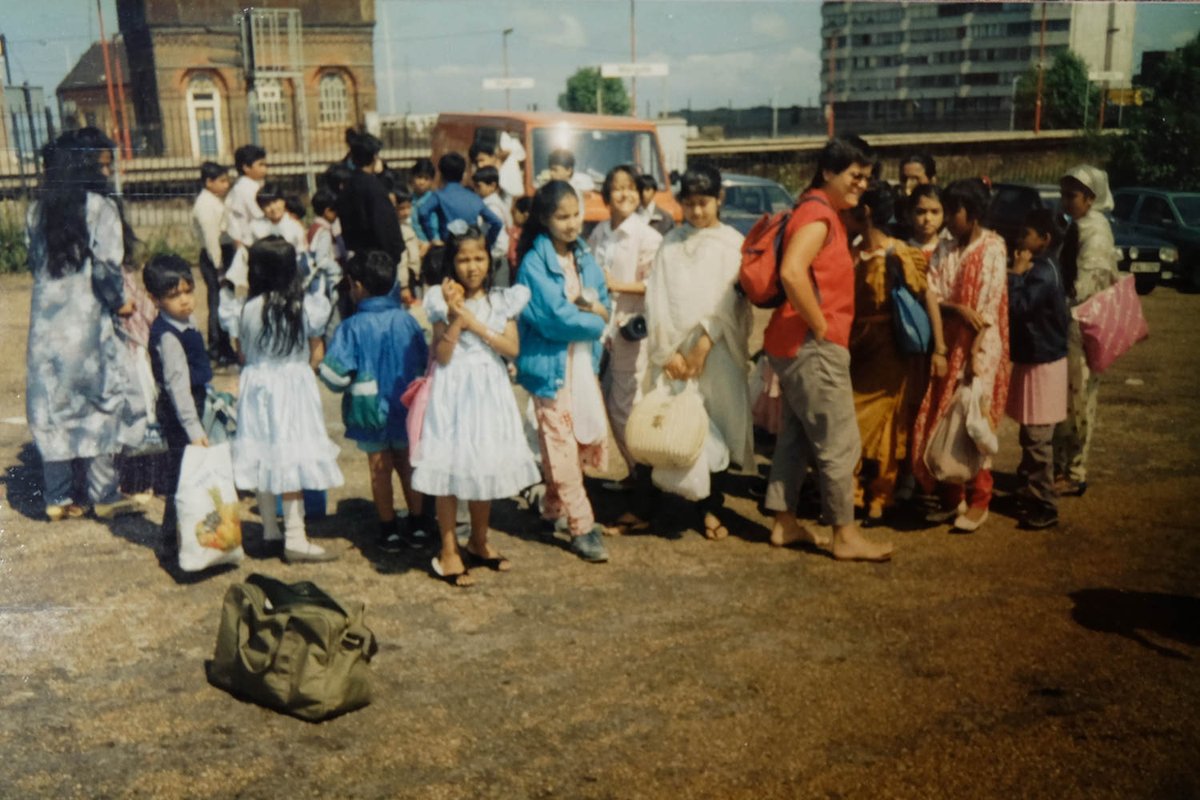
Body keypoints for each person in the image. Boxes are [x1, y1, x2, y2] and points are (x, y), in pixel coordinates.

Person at [761, 136, 893, 562]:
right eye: (855, 176)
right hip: (811, 345)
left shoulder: (817, 211)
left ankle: (784, 522)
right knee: (839, 441)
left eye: (866, 178)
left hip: (793, 343)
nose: (861, 185)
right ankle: (845, 534)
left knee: (797, 437)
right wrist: (820, 325)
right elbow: (792, 272)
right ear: (828, 172)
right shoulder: (817, 215)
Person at [25, 127, 147, 521]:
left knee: (52, 405)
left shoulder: (35, 211)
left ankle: (57, 497)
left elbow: (35, 264)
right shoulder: (100, 208)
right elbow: (107, 269)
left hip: (45, 325)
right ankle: (103, 493)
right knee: (100, 402)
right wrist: (121, 302)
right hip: (88, 322)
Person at [414, 223, 541, 586]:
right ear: (452, 262)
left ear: (490, 259)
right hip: (453, 388)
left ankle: (480, 540)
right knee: (451, 468)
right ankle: (449, 548)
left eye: (479, 258)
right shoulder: (440, 300)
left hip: (489, 386)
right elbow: (441, 354)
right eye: (464, 259)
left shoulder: (503, 300)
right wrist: (456, 317)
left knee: (483, 463)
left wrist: (477, 324)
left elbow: (512, 348)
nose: (472, 267)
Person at [642, 164, 754, 540]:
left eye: (704, 203)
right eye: (688, 204)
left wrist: (704, 344)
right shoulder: (669, 244)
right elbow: (656, 300)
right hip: (674, 353)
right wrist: (666, 351)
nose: (697, 212)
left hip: (716, 349)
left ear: (719, 199)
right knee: (674, 424)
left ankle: (711, 507)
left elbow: (731, 302)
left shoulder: (732, 244)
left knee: (715, 423)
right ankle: (669, 505)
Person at [515, 180, 613, 563]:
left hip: (581, 365)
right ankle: (582, 525)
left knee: (570, 439)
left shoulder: (583, 254)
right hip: (551, 368)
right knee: (559, 444)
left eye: (576, 215)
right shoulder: (533, 264)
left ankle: (552, 509)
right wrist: (595, 321)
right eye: (562, 217)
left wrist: (596, 311)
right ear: (544, 218)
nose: (572, 224)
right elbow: (554, 318)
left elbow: (601, 297)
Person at [233, 236, 343, 563]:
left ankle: (270, 531)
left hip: (256, 386)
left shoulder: (247, 308)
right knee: (290, 455)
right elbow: (317, 352)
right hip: (292, 386)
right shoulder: (305, 306)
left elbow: (242, 354)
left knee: (263, 454)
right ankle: (295, 536)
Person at [910, 178, 1011, 533]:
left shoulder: (994, 247)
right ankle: (953, 496)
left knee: (973, 422)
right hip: (947, 341)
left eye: (955, 211)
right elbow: (933, 293)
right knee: (943, 417)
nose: (949, 218)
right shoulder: (946, 249)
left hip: (980, 348)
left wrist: (973, 359)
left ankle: (980, 497)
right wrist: (954, 309)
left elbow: (984, 309)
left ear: (974, 212)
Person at [843, 181, 946, 524]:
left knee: (887, 421)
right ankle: (856, 491)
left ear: (867, 212)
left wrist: (940, 348)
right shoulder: (853, 252)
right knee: (853, 421)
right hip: (857, 345)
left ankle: (880, 495)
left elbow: (927, 296)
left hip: (890, 345)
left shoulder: (899, 252)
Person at [319, 250, 431, 552]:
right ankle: (419, 525)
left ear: (357, 286)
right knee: (408, 465)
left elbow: (333, 376)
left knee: (379, 469)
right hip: (407, 407)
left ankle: (389, 529)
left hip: (369, 411)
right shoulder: (406, 321)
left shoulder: (351, 327)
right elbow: (424, 361)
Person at [587, 164, 663, 502]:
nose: (625, 194)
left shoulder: (648, 237)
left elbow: (657, 285)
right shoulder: (599, 232)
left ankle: (646, 478)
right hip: (600, 327)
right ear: (606, 196)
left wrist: (617, 285)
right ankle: (636, 472)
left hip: (631, 328)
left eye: (631, 187)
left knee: (627, 405)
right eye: (617, 188)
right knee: (605, 401)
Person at [1052, 164, 1120, 498]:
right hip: (1070, 324)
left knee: (1079, 400)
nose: (1066, 201)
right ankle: (1061, 467)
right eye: (1063, 194)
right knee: (1064, 399)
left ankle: (1075, 472)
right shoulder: (1076, 226)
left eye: (1072, 195)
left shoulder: (1096, 231)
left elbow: (1086, 284)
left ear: (1090, 198)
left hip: (1083, 325)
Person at [1008, 209, 1071, 529]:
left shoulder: (1042, 273)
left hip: (1043, 362)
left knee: (1036, 436)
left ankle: (1044, 503)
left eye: (1026, 234)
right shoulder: (1046, 267)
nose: (1019, 239)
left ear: (1044, 240)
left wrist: (1016, 274)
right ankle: (1030, 487)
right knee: (1030, 431)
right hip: (1038, 358)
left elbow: (1017, 307)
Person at [144, 254, 212, 546]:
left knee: (191, 474)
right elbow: (178, 388)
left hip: (193, 404)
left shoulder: (186, 321)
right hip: (180, 413)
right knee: (180, 476)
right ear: (155, 299)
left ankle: (191, 531)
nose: (184, 300)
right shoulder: (169, 336)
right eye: (174, 296)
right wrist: (193, 430)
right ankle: (171, 539)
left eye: (188, 291)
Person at [336, 132, 405, 266]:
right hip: (380, 260)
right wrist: (395, 254)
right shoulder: (375, 188)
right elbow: (386, 226)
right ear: (374, 157)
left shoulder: (348, 185)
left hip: (359, 256)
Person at [191, 161, 236, 364]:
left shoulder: (214, 200)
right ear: (208, 182)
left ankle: (224, 346)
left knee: (225, 301)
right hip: (215, 257)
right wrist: (219, 267)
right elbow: (211, 239)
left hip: (224, 253)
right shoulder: (205, 205)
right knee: (218, 302)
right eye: (222, 181)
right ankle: (218, 348)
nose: (226, 185)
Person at [418, 152, 503, 252]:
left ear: (441, 175)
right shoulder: (474, 197)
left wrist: (432, 238)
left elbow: (423, 211)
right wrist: (487, 245)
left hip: (448, 249)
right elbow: (497, 222)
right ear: (462, 175)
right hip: (471, 248)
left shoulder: (439, 196)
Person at [474, 165, 513, 286]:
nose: (476, 189)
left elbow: (497, 225)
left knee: (498, 290)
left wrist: (486, 243)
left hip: (496, 254)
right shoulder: (497, 202)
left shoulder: (491, 206)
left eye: (479, 186)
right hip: (497, 252)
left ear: (492, 186)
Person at [225, 144, 268, 249]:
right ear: (246, 168)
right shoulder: (245, 189)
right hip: (251, 242)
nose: (265, 168)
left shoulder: (249, 186)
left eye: (265, 165)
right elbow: (260, 215)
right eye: (260, 165)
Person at [907, 184, 947, 263]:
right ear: (910, 214)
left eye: (935, 212)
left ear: (945, 214)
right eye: (921, 212)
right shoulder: (902, 250)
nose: (928, 218)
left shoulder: (950, 251)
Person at [409, 157, 439, 245]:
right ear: (412, 177)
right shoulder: (409, 200)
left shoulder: (434, 200)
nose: (422, 182)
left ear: (431, 181)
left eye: (426, 178)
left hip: (431, 243)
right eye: (419, 177)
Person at [508, 196, 532, 276]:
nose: (511, 214)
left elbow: (512, 257)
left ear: (525, 215)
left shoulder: (517, 233)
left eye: (514, 212)